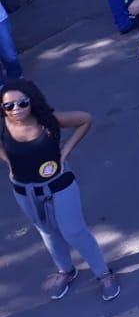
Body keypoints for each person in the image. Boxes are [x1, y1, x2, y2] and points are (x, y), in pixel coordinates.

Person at [1, 80, 120, 301]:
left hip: (59, 183)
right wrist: (8, 161)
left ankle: (103, 273)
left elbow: (85, 119)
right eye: (8, 106)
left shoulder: (49, 121)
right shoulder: (3, 126)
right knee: (47, 231)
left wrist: (66, 150)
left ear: (32, 102)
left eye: (22, 103)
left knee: (74, 231)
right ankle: (66, 270)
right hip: (24, 190)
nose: (15, 109)